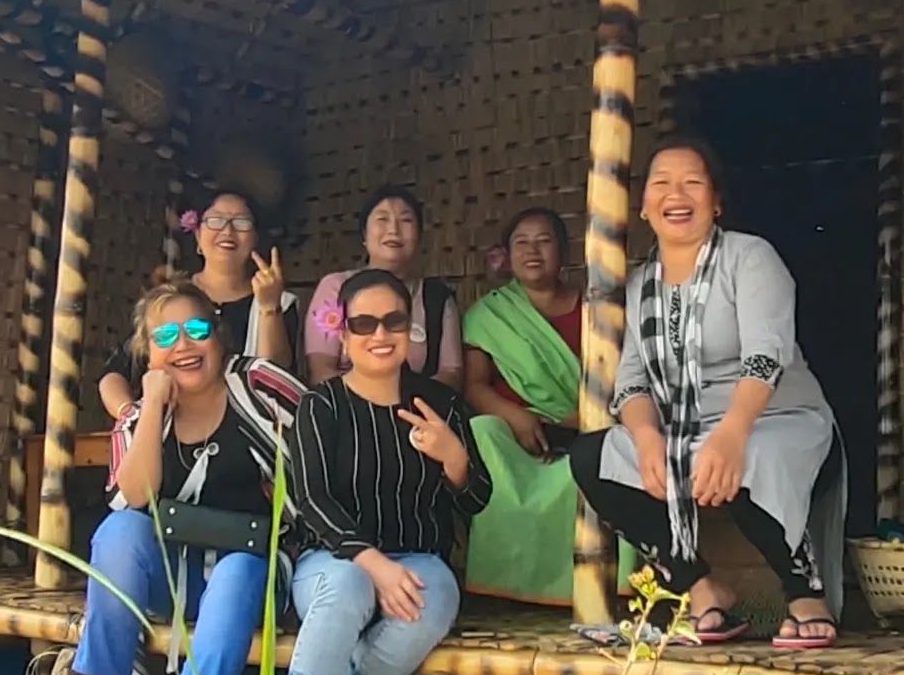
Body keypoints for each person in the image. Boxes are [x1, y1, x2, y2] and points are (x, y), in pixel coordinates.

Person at [569, 138, 845, 648]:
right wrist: (646, 438)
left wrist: (731, 434)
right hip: (685, 434)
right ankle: (700, 588)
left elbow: (766, 354)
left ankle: (804, 594)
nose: (676, 195)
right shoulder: (640, 286)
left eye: (692, 182)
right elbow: (631, 380)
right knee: (594, 457)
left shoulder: (750, 257)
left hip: (775, 421)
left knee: (748, 456)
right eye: (662, 183)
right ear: (644, 206)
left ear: (716, 202)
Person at [269, 269, 491, 675]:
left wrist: (453, 457)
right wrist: (374, 565)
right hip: (332, 557)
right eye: (364, 323)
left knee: (435, 596)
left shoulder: (439, 404)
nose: (380, 334)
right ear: (343, 334)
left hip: (416, 554)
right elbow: (312, 500)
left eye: (393, 321)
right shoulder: (320, 407)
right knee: (346, 587)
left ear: (409, 328)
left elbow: (478, 498)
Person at [73, 280, 304, 675]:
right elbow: (135, 495)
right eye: (165, 336)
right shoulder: (140, 416)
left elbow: (320, 437)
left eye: (196, 329)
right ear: (148, 354)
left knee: (237, 569)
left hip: (253, 572)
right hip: (176, 577)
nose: (183, 344)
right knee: (117, 532)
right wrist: (154, 404)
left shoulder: (259, 385)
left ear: (219, 336)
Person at [461, 206, 583, 605]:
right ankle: (500, 585)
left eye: (544, 241)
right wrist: (516, 417)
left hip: (585, 427)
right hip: (516, 435)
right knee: (481, 430)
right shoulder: (489, 315)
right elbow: (474, 385)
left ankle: (583, 585)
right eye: (521, 242)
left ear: (564, 252)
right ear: (508, 254)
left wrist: (585, 417)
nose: (532, 251)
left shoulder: (597, 309)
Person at [98, 189, 298, 420]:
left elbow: (274, 380)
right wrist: (132, 417)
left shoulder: (282, 301)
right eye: (215, 220)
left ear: (255, 237)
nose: (227, 231)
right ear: (197, 235)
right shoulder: (167, 300)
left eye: (241, 222)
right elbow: (115, 373)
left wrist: (269, 306)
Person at [303, 185, 463, 391]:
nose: (393, 230)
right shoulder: (335, 287)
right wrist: (372, 403)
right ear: (364, 234)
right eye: (382, 219)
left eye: (406, 220)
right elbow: (321, 371)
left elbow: (452, 374)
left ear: (419, 236)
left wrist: (407, 403)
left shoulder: (437, 298)